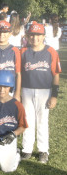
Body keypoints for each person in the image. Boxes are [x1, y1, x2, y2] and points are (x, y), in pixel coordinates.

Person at [21, 23, 61, 163]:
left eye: (38, 35)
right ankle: (26, 149)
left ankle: (43, 150)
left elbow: (56, 74)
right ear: (27, 36)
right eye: (32, 35)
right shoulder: (23, 51)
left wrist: (54, 95)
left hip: (45, 90)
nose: (35, 38)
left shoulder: (51, 51)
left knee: (42, 121)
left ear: (43, 36)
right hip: (26, 89)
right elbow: (18, 73)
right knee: (28, 120)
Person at [0, 20, 21, 101]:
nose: (1, 34)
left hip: (10, 88)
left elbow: (18, 74)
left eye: (5, 32)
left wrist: (17, 93)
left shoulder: (15, 50)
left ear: (10, 34)